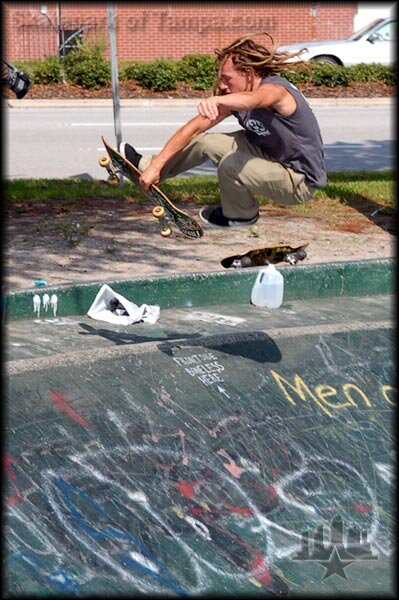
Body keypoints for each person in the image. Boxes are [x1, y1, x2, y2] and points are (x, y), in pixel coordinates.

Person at [120, 33, 327, 228]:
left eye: (227, 79)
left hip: (298, 180)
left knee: (231, 163)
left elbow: (253, 100)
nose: (222, 85)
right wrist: (156, 165)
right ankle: (144, 167)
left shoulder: (276, 91)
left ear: (248, 73)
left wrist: (218, 99)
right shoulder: (235, 97)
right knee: (205, 141)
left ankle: (241, 215)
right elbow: (192, 129)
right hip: (270, 158)